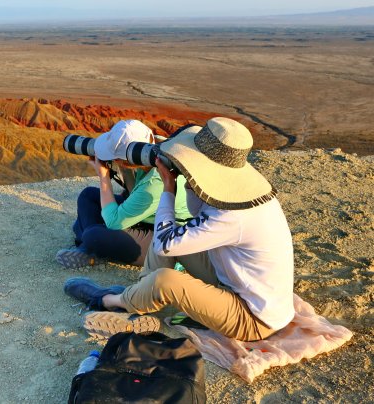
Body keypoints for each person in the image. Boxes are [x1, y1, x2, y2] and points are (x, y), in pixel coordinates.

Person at [64, 117, 295, 342]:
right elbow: (192, 216)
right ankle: (137, 298)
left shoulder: (232, 214)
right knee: (169, 237)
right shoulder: (239, 194)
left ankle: (108, 301)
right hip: (232, 283)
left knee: (166, 276)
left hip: (252, 318)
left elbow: (166, 244)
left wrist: (168, 186)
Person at [56, 120, 192, 269]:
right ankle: (95, 246)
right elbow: (131, 192)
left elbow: (114, 222)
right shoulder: (154, 152)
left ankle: (91, 246)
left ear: (125, 161)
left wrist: (104, 177)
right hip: (148, 217)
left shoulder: (155, 183)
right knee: (88, 196)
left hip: (167, 237)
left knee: (92, 234)